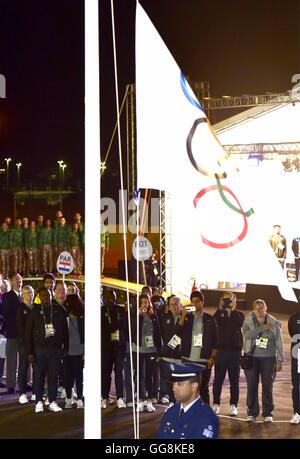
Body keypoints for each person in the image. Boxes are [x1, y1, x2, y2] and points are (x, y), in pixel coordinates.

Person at [25, 287, 69, 413]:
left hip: (55, 349)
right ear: (39, 297)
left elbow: (65, 332)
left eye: (48, 295)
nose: (46, 297)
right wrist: (30, 352)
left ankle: (52, 401)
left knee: (54, 377)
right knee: (39, 376)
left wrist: (66, 348)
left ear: (51, 295)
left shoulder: (58, 311)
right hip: (39, 350)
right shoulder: (34, 311)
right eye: (43, 295)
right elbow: (28, 334)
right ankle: (39, 401)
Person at [242, 299, 284, 422]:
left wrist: (279, 360)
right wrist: (263, 328)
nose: (259, 310)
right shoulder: (248, 321)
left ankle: (268, 413)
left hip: (268, 359)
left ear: (266, 308)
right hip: (252, 358)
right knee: (252, 386)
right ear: (253, 310)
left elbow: (279, 342)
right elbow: (246, 335)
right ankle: (252, 412)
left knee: (267, 386)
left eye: (262, 307)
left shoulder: (274, 322)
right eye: (257, 308)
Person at [175, 290, 218, 404]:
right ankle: (187, 416)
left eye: (197, 302)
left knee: (203, 389)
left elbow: (215, 340)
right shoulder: (187, 318)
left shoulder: (210, 319)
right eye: (192, 302)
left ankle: (205, 415)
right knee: (187, 389)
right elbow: (177, 333)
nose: (195, 304)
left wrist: (212, 357)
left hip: (203, 360)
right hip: (187, 359)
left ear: (202, 302)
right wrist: (183, 316)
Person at [157, 362, 218, 439]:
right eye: (174, 383)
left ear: (194, 387)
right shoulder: (170, 413)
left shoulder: (207, 418)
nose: (174, 388)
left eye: (179, 384)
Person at [212, 292, 244, 416]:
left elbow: (239, 323)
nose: (227, 302)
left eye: (230, 299)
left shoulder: (239, 314)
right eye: (225, 299)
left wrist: (233, 309)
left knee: (234, 380)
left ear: (235, 300)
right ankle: (216, 404)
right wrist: (221, 308)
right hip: (221, 351)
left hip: (235, 352)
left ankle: (233, 405)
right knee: (218, 379)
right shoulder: (218, 314)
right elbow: (214, 322)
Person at [132, 293, 162, 412]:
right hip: (138, 349)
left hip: (151, 350)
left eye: (147, 301)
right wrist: (138, 316)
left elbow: (158, 333)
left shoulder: (153, 316)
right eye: (143, 301)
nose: (145, 304)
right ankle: (140, 400)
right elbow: (133, 331)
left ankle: (149, 399)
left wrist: (159, 351)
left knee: (149, 375)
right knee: (139, 375)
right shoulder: (135, 315)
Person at [159, 295, 183, 409]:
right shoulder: (164, 317)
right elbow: (163, 334)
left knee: (181, 382)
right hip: (168, 355)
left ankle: (181, 403)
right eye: (171, 304)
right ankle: (172, 402)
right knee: (169, 381)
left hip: (181, 356)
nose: (173, 306)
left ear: (181, 305)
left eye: (176, 304)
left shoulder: (187, 318)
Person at [2, 272, 23, 393]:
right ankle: (10, 384)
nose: (19, 281)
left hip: (25, 335)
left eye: (20, 279)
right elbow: (6, 315)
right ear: (11, 281)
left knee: (24, 360)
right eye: (16, 279)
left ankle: (25, 383)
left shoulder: (26, 295)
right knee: (11, 360)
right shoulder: (7, 297)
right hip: (12, 333)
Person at [16, 285, 37, 404]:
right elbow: (20, 329)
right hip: (24, 344)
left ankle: (35, 392)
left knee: (36, 369)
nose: (30, 295)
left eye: (32, 292)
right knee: (23, 368)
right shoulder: (20, 309)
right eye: (27, 292)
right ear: (22, 295)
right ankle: (22, 393)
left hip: (36, 344)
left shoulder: (35, 308)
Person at [64, 294, 84, 409]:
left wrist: (85, 351)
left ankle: (80, 398)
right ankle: (68, 398)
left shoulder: (81, 316)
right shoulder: (65, 315)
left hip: (78, 351)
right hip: (67, 351)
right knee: (68, 376)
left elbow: (85, 334)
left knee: (78, 376)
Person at [288, 307, 300, 424]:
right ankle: (297, 412)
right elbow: (292, 333)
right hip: (297, 355)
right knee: (296, 385)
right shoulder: (293, 318)